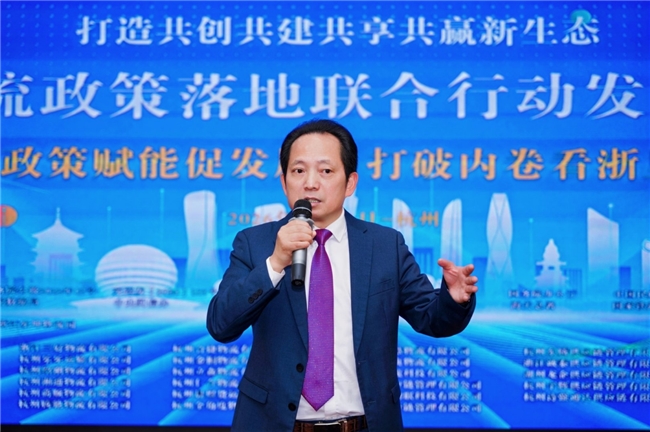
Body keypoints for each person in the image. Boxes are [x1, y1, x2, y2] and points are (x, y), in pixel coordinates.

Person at [207, 119, 478, 432]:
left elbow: (432, 319)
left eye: (325, 170)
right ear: (284, 182)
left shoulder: (384, 246)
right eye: (298, 170)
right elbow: (221, 325)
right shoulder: (254, 243)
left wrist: (454, 299)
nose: (310, 183)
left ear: (350, 183)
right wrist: (275, 263)